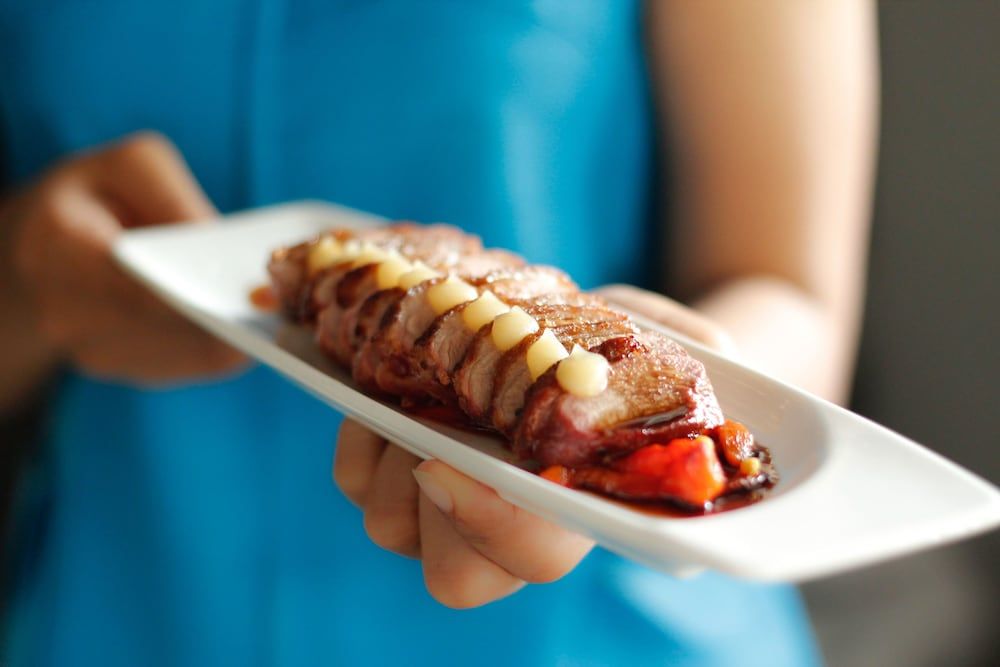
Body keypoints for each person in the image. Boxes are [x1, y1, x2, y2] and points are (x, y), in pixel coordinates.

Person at [0, 1, 876, 665]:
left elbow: (793, 290)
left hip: (611, 625)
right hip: (125, 607)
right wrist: (21, 289)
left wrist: (664, 401)